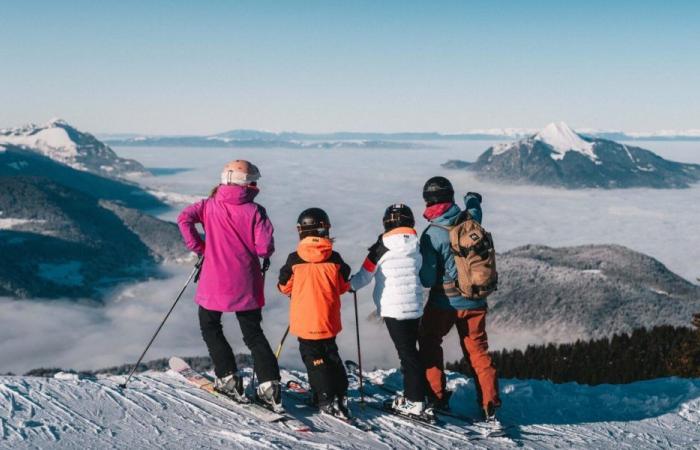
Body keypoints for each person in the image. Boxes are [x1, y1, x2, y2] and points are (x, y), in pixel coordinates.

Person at [177, 160, 282, 411]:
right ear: (248, 184)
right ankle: (270, 387)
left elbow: (183, 219)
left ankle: (228, 378)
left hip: (214, 280)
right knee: (253, 333)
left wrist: (200, 247)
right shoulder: (256, 211)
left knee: (210, 326)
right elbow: (264, 248)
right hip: (247, 281)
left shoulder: (207, 206)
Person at [417, 176, 501, 421]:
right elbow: (475, 206)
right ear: (450, 197)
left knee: (430, 342)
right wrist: (472, 198)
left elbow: (428, 279)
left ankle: (436, 396)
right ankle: (490, 404)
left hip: (443, 303)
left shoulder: (432, 234)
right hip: (475, 300)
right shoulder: (471, 220)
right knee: (477, 350)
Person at [350, 204, 433, 419]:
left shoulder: (381, 246)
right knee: (411, 352)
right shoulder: (418, 244)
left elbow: (364, 276)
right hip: (415, 306)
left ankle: (415, 402)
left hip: (393, 308)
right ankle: (420, 395)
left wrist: (348, 286)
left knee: (407, 354)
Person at [277, 208, 352, 419]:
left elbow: (283, 287)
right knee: (331, 355)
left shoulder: (294, 260)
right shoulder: (335, 259)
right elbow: (344, 285)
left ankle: (325, 398)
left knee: (314, 359)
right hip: (328, 319)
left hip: (305, 320)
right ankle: (340, 393)